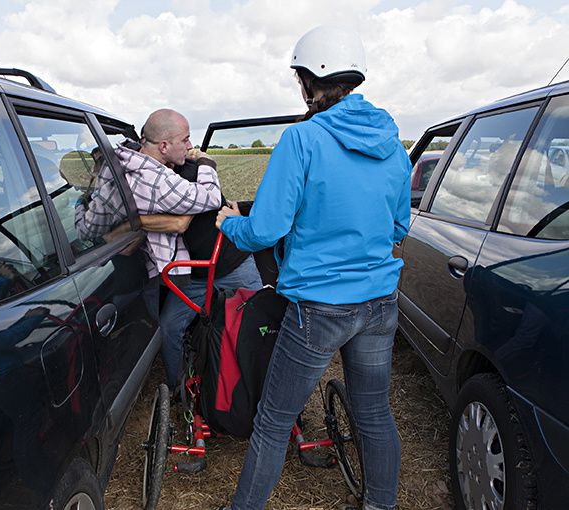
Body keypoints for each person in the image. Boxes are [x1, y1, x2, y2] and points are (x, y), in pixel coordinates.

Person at [215, 26, 411, 510]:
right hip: (379, 302)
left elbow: (266, 229)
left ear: (307, 81)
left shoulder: (301, 138)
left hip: (319, 309)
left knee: (273, 420)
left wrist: (230, 224)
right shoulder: (391, 141)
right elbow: (398, 225)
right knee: (375, 414)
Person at [74, 109, 262, 388]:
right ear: (163, 146)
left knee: (259, 318)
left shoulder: (193, 170)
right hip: (193, 276)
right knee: (169, 328)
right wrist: (136, 224)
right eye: (185, 139)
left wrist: (137, 223)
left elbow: (183, 221)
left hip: (232, 263)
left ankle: (260, 380)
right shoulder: (144, 180)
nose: (190, 146)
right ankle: (178, 387)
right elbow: (152, 225)